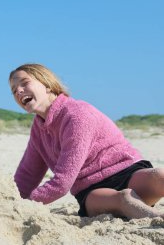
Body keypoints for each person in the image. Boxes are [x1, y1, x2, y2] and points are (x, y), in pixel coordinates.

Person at [10, 63, 164, 219]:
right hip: (92, 190)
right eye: (14, 90)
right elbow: (28, 175)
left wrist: (28, 203)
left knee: (159, 175)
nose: (19, 91)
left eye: (25, 83)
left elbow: (61, 183)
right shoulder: (38, 130)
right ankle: (157, 218)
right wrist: (12, 202)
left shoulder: (77, 115)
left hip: (128, 172)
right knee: (123, 198)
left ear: (47, 85)